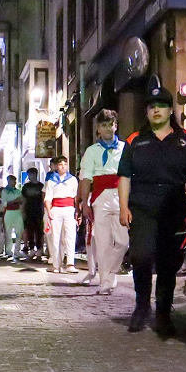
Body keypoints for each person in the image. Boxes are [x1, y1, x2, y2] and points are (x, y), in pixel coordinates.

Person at [118, 85, 186, 336]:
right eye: (152, 106)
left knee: (168, 263)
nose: (156, 110)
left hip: (174, 206)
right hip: (141, 206)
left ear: (169, 110)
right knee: (140, 257)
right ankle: (141, 306)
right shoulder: (135, 140)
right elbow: (124, 175)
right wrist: (123, 206)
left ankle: (163, 312)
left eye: (161, 106)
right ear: (147, 111)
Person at [78, 109, 130, 293]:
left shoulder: (125, 148)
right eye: (103, 125)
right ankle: (105, 282)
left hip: (121, 195)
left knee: (123, 241)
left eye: (110, 124)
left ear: (116, 126)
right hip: (100, 197)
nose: (107, 128)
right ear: (98, 129)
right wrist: (85, 202)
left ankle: (111, 273)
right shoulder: (91, 151)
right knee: (103, 241)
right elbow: (86, 178)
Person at [44, 157, 79, 273]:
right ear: (56, 166)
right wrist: (49, 211)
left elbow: (76, 197)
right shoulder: (51, 181)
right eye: (60, 164)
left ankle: (70, 263)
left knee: (70, 236)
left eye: (65, 164)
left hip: (69, 209)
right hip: (56, 210)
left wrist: (78, 211)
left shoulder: (73, 179)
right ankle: (56, 264)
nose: (63, 166)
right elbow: (47, 198)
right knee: (55, 237)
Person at [21, 168, 45, 258]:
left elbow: (43, 199)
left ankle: (39, 249)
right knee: (30, 230)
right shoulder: (26, 187)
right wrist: (22, 211)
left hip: (39, 211)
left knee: (39, 231)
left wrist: (44, 210)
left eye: (32, 174)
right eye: (29, 174)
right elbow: (23, 199)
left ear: (36, 174)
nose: (30, 176)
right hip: (29, 211)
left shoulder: (41, 186)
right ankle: (31, 249)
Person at [0, 175, 24, 260]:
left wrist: (15, 201)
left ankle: (17, 250)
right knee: (8, 232)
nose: (14, 182)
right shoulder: (5, 191)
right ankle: (9, 251)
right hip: (9, 212)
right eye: (13, 181)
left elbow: (21, 200)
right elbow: (4, 203)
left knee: (19, 231)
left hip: (17, 212)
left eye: (15, 181)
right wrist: (14, 201)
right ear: (9, 181)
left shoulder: (17, 191)